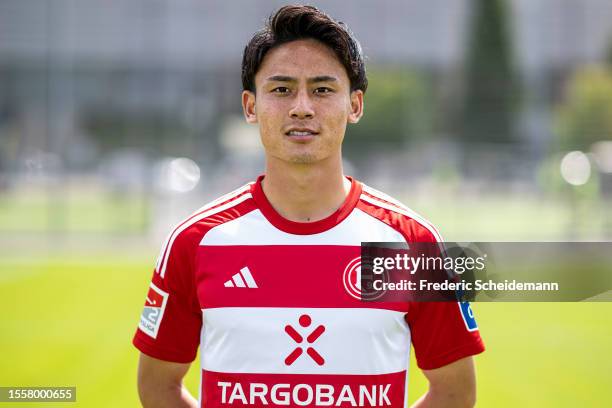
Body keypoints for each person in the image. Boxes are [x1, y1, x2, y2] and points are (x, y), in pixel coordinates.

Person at [133, 5, 484, 407]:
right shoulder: (194, 242)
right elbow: (157, 385)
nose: (302, 107)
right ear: (251, 106)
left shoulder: (414, 243)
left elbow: (455, 391)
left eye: (322, 89)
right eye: (281, 89)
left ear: (355, 105)